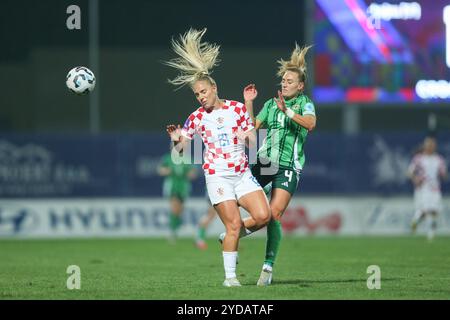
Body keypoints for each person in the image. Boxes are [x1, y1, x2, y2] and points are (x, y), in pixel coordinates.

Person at [164, 28, 271, 287]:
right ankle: (230, 279)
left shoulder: (236, 108)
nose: (201, 97)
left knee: (264, 216)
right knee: (234, 223)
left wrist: (247, 133)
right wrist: (177, 140)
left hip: (242, 173)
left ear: (214, 87)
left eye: (203, 91)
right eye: (197, 94)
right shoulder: (196, 117)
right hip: (217, 175)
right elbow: (181, 153)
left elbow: (252, 140)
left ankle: (228, 236)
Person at [228, 44, 317, 286]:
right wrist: (248, 103)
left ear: (300, 85)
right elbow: (249, 131)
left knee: (274, 215)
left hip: (288, 167)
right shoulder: (270, 104)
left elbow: (310, 124)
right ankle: (232, 240)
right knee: (233, 199)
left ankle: (267, 268)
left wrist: (287, 111)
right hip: (265, 163)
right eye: (283, 80)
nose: (284, 83)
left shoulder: (304, 103)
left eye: (290, 81)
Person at [408, 136, 447, 241]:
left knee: (434, 211)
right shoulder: (418, 158)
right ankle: (428, 232)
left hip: (436, 188)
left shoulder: (439, 159)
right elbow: (410, 172)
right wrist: (415, 179)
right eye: (428, 144)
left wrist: (444, 175)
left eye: (432, 145)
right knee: (427, 210)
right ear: (425, 146)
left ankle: (420, 225)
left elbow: (443, 174)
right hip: (423, 188)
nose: (430, 147)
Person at [157, 151, 197, 241]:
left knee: (180, 209)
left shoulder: (187, 158)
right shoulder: (167, 158)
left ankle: (176, 226)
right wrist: (167, 171)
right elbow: (160, 170)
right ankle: (172, 232)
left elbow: (193, 173)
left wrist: (189, 174)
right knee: (174, 207)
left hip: (183, 186)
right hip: (172, 186)